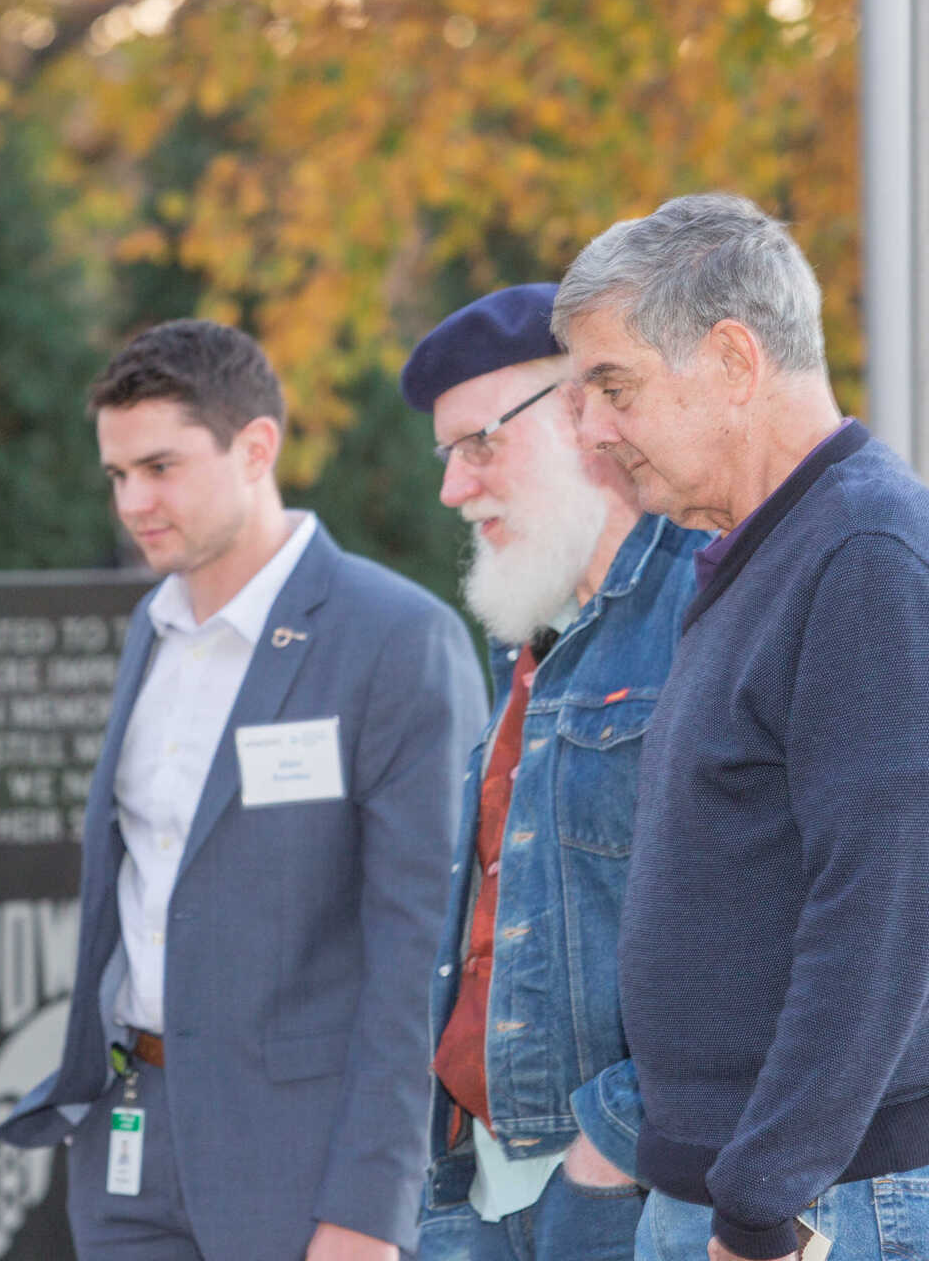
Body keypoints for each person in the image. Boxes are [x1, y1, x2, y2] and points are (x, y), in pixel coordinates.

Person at [554, 193, 929, 1261]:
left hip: (828, 1204)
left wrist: (762, 1205)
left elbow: (880, 911)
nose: (592, 429)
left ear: (735, 359)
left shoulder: (867, 555)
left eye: (614, 386)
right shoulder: (781, 549)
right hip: (770, 1189)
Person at [0, 318, 486, 1260]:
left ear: (256, 447)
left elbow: (420, 952)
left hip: (300, 1164)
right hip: (131, 1134)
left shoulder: (396, 639)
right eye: (117, 476)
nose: (133, 501)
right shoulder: (153, 625)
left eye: (161, 468)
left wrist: (372, 1205)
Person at [400, 284, 706, 1261]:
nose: (454, 486)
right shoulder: (526, 627)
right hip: (473, 1187)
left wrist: (606, 1151)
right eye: (446, 453)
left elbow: (758, 927)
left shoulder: (710, 603)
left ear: (586, 407)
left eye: (480, 441)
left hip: (623, 1197)